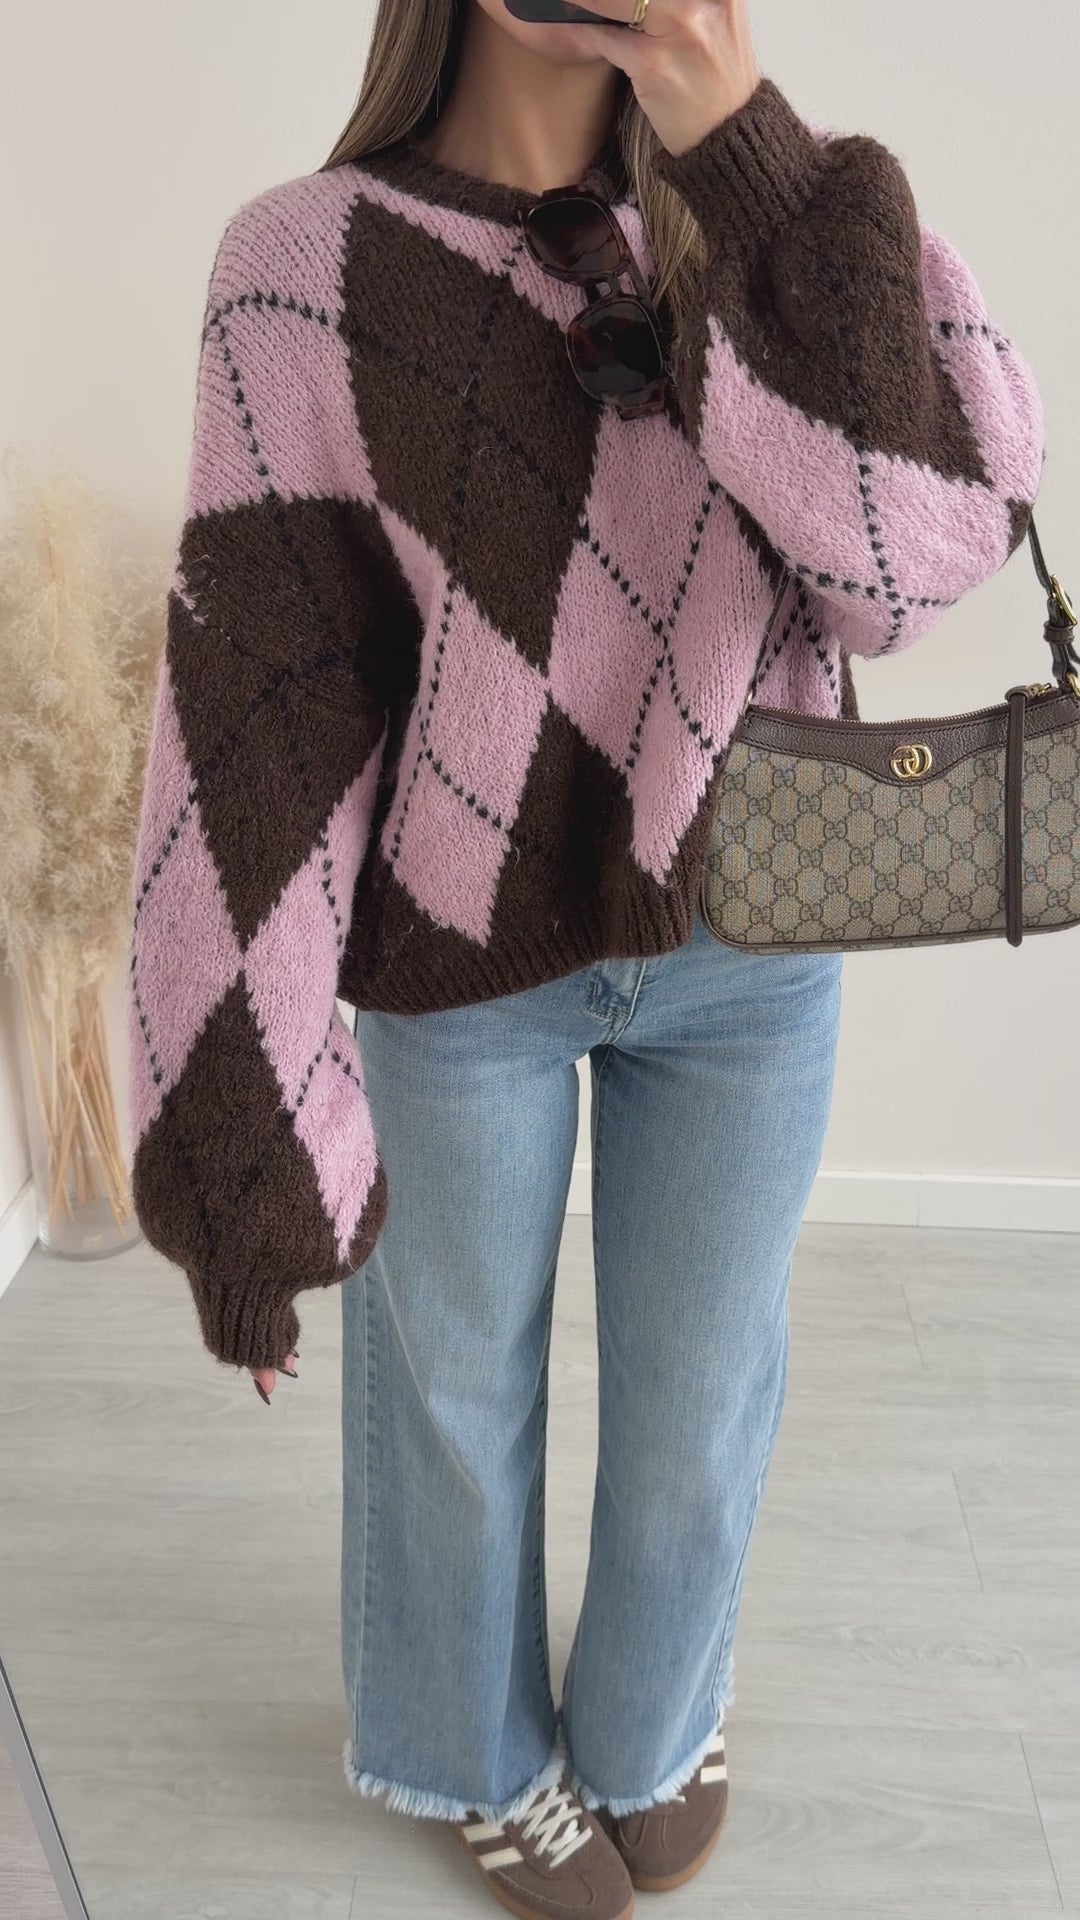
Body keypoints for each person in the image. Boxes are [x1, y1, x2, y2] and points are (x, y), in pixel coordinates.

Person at [126, 1, 1045, 1914]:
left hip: (756, 935)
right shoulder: (302, 268)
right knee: (449, 1403)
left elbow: (915, 561)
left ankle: (654, 1722)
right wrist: (244, 1160)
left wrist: (740, 144)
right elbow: (260, 714)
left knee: (704, 1391)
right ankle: (471, 1754)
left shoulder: (790, 217)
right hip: (457, 952)